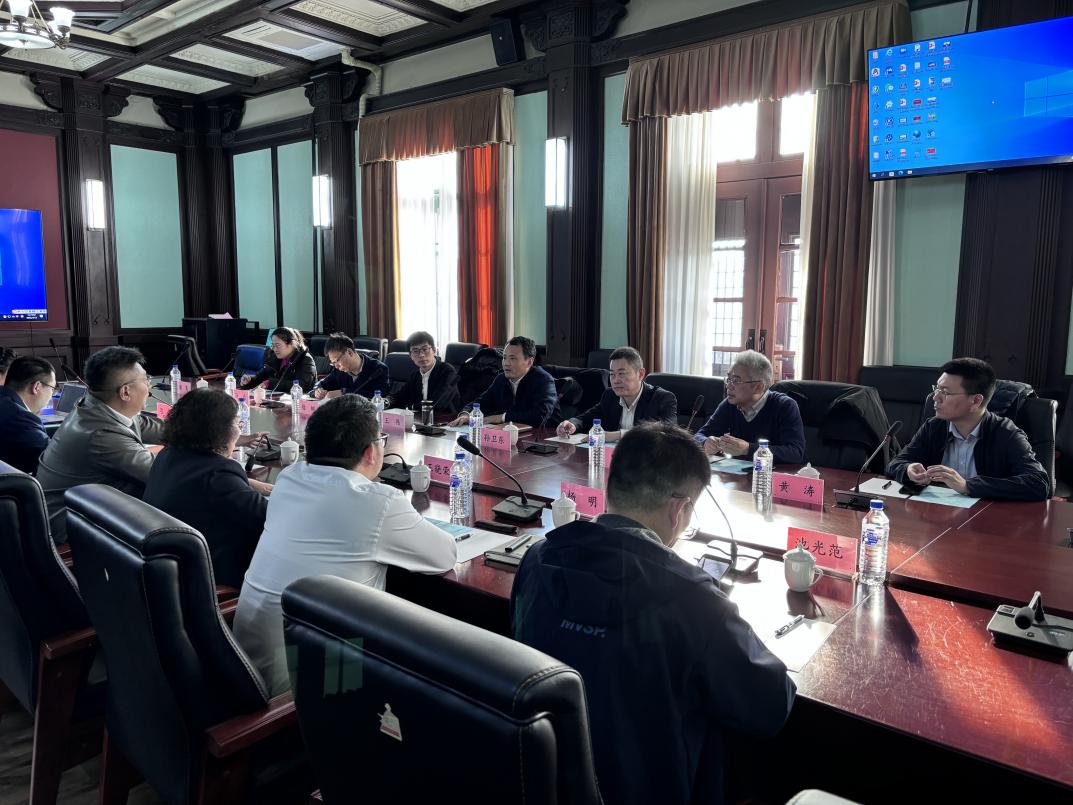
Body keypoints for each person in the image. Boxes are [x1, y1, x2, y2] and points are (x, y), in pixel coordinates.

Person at [512, 422, 795, 805]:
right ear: (679, 510)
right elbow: (769, 706)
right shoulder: (695, 599)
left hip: (542, 784)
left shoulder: (537, 560)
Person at [233, 394, 457, 695]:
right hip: (311, 687)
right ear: (370, 452)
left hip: (246, 667)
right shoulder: (377, 502)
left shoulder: (289, 478)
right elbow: (444, 556)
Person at [143, 389, 273, 588]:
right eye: (237, 423)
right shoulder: (219, 474)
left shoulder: (167, 455)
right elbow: (271, 518)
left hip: (172, 569)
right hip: (211, 577)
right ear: (219, 430)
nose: (239, 429)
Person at [36, 347, 163, 542]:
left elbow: (153, 427)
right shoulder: (101, 434)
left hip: (89, 506)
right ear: (125, 392)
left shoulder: (98, 405)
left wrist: (202, 430)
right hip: (70, 525)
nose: (149, 386)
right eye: (146, 380)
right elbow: (161, 474)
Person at [887, 357, 1049, 501]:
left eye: (945, 392)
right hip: (936, 514)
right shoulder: (934, 426)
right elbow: (896, 463)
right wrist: (908, 469)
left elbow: (1038, 483)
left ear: (976, 401)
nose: (935, 397)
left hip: (987, 519)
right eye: (937, 389)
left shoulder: (1006, 433)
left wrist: (967, 486)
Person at [695, 350, 806, 464]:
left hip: (771, 473)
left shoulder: (784, 406)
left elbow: (795, 453)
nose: (728, 386)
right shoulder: (729, 405)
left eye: (736, 381)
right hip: (736, 472)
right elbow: (698, 436)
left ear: (758, 387)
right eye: (729, 379)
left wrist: (748, 449)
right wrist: (705, 442)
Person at [556, 346, 676, 440]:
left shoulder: (661, 399)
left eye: (621, 374)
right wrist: (572, 424)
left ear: (640, 374)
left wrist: (615, 435)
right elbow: (585, 418)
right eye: (612, 374)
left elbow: (667, 434)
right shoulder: (610, 396)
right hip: (614, 458)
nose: (615, 380)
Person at [449, 336, 559, 427]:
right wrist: (466, 414)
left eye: (512, 358)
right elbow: (481, 402)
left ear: (529, 362)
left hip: (545, 439)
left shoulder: (544, 380)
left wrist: (501, 417)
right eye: (504, 358)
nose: (506, 363)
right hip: (511, 436)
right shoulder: (501, 379)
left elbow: (539, 417)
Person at [0, 356, 54, 474]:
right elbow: (53, 460)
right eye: (52, 388)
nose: (52, 394)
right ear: (36, 387)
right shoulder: (19, 418)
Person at [387, 330, 460, 414]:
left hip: (445, 419)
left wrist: (410, 407)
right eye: (415, 351)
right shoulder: (415, 375)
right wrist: (386, 401)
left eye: (425, 349)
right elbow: (400, 397)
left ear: (434, 351)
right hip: (420, 418)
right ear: (410, 356)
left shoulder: (447, 371)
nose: (421, 355)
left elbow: (438, 403)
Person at [312, 331, 390, 400]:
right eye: (333, 363)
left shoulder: (379, 369)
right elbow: (323, 383)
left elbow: (378, 397)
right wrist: (318, 390)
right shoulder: (339, 370)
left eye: (337, 361)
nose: (336, 366)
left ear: (349, 352)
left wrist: (343, 393)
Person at [239, 326, 317, 393]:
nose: (275, 349)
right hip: (277, 400)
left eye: (278, 345)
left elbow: (302, 385)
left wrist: (271, 383)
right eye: (273, 345)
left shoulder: (305, 359)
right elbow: (261, 376)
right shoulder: (275, 357)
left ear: (291, 344)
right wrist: (250, 380)